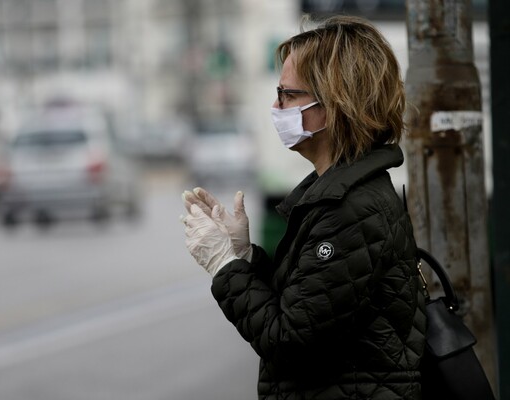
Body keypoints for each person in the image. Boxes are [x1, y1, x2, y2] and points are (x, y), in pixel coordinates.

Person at [181, 15, 426, 399]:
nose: (276, 105)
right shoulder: (339, 195)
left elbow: (289, 341)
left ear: (335, 103)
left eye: (288, 94)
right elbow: (310, 299)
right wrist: (245, 257)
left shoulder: (353, 210)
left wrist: (224, 267)